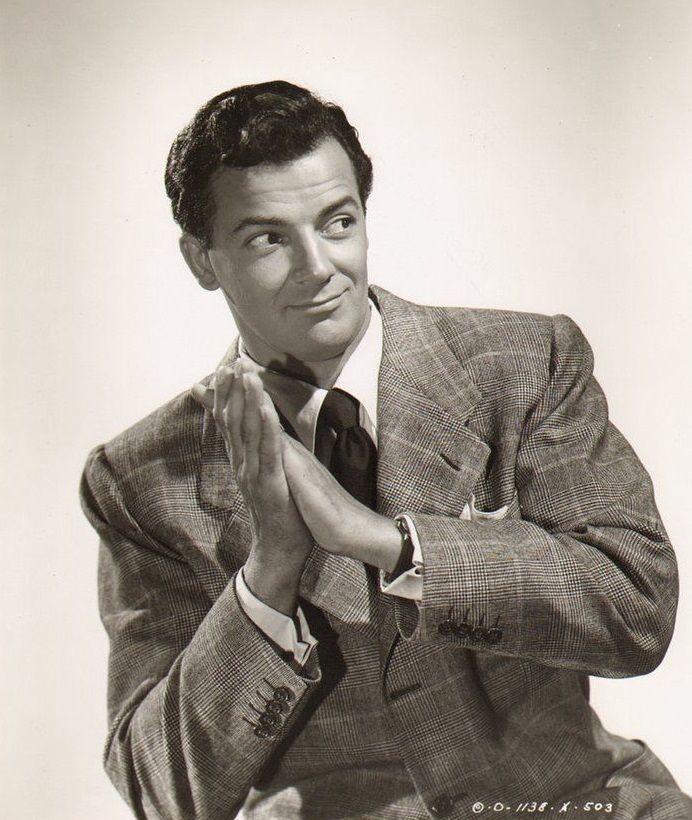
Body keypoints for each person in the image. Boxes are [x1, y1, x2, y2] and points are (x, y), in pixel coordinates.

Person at [80, 81, 691, 820]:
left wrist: (385, 543)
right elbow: (160, 790)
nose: (319, 268)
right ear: (201, 259)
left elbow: (637, 609)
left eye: (337, 223)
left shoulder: (524, 364)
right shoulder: (139, 477)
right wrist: (271, 568)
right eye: (268, 238)